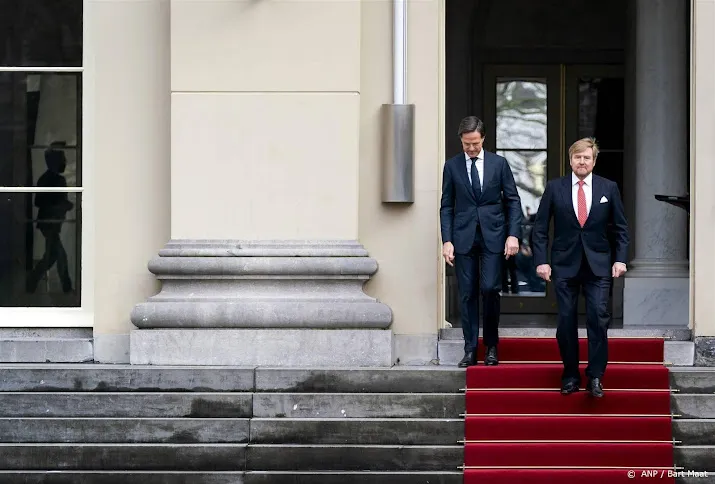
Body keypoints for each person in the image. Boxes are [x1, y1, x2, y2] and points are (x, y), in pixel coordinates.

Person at [531, 137, 629, 397]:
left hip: (599, 265)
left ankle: (595, 376)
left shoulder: (609, 187)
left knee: (598, 317)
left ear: (594, 161)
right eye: (577, 157)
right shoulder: (555, 188)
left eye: (586, 157)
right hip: (564, 264)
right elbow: (540, 228)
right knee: (565, 321)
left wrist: (620, 259)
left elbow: (621, 228)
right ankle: (570, 375)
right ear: (570, 160)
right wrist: (541, 261)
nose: (582, 162)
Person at [440, 116, 522, 367]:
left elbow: (513, 200)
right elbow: (447, 206)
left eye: (475, 143)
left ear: (483, 138)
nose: (471, 148)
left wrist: (513, 234)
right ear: (461, 140)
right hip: (463, 238)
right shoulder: (452, 166)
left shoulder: (499, 164)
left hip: (493, 236)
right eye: (467, 144)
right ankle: (470, 349)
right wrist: (447, 240)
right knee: (467, 294)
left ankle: (491, 346)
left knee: (489, 289)